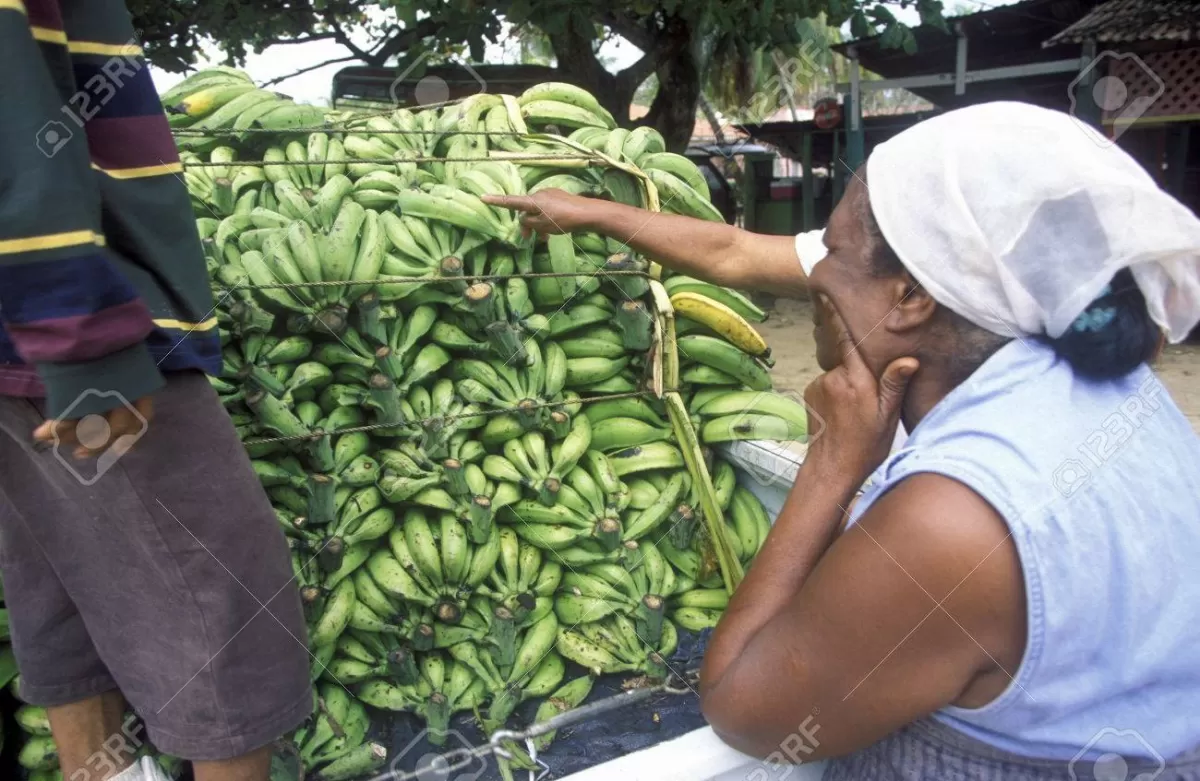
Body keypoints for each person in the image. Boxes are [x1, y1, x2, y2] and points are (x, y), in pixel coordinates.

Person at [485, 102, 1200, 779]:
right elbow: (737, 251)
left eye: (830, 250)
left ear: (913, 297)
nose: (813, 274)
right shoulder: (1110, 388)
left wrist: (833, 461)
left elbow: (743, 709)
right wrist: (589, 214)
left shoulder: (953, 523)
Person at [0, 2, 311, 780]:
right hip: (74, 333)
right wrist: (84, 345)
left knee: (62, 581)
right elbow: (16, 127)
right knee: (229, 605)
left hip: (21, 338)